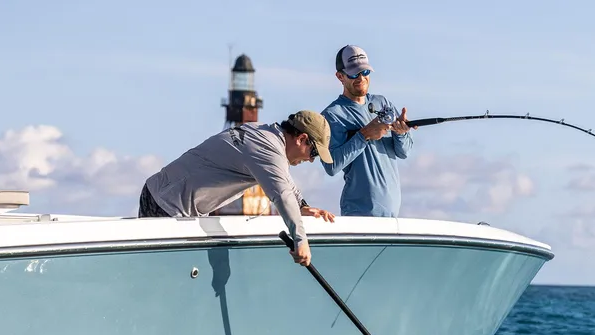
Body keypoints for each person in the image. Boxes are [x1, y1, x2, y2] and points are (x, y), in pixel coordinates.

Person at [138, 110, 336, 267]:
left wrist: (302, 205)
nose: (311, 160)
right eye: (314, 153)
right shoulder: (269, 152)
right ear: (301, 139)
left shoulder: (264, 133)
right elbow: (282, 194)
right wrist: (301, 241)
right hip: (166, 206)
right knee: (164, 278)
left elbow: (283, 180)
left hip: (168, 201)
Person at [320, 45, 416, 218]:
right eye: (354, 74)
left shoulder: (383, 103)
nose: (361, 78)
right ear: (340, 76)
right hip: (358, 214)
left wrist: (401, 133)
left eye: (365, 72)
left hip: (393, 214)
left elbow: (404, 152)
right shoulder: (331, 115)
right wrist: (364, 135)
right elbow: (331, 166)